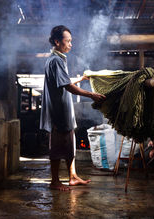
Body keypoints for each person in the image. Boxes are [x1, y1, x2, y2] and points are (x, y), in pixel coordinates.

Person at [40, 25, 106, 191]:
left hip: (64, 111)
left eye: (71, 41)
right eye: (67, 41)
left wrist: (80, 79)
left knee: (70, 144)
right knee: (56, 145)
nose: (70, 44)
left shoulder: (58, 59)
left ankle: (73, 176)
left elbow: (64, 82)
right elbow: (67, 86)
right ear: (57, 41)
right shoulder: (55, 60)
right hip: (58, 111)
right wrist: (91, 94)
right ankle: (55, 181)